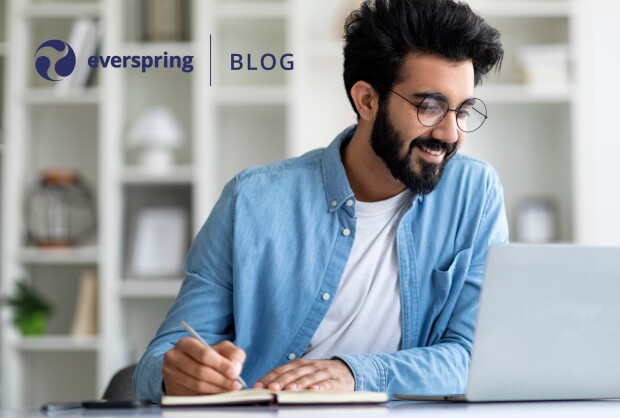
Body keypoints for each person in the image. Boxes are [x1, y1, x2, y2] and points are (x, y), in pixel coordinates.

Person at [133, 0, 506, 402]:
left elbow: (475, 357)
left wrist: (354, 373)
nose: (451, 133)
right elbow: (160, 358)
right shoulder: (252, 201)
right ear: (367, 100)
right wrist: (177, 375)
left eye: (463, 110)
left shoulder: (474, 193)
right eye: (429, 107)